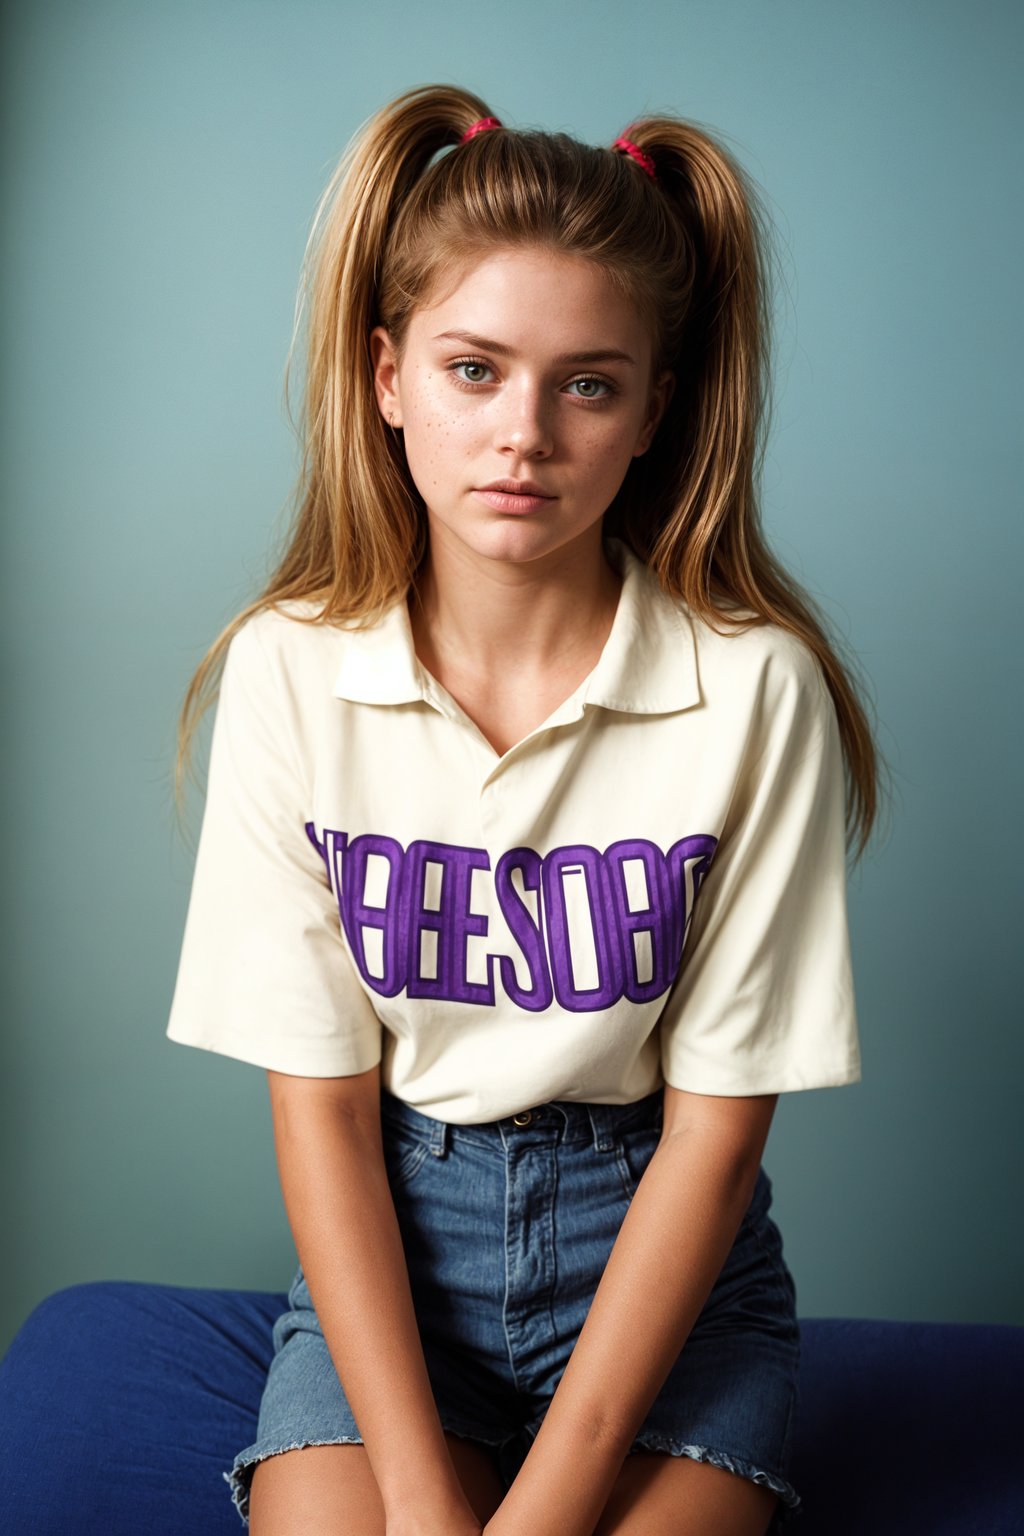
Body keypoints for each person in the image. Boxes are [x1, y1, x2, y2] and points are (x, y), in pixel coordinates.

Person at [166, 83, 882, 1536]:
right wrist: (430, 1508)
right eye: (475, 370)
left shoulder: (756, 692)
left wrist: (538, 1520)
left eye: (589, 383)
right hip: (394, 1278)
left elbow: (715, 1140)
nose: (526, 436)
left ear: (653, 411)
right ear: (386, 376)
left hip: (663, 1284)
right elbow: (319, 1116)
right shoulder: (291, 670)